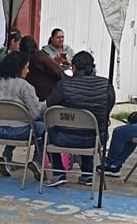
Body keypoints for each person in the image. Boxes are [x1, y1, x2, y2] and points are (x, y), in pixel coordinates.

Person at [44, 51, 115, 187]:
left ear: (74, 68)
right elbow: (108, 109)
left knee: (45, 132)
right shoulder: (106, 85)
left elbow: (49, 106)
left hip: (64, 138)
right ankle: (88, 174)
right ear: (93, 67)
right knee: (89, 128)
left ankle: (59, 173)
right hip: (96, 139)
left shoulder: (64, 85)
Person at [0, 51, 46, 179]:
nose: (28, 71)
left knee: (15, 120)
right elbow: (35, 113)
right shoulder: (25, 86)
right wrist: (45, 105)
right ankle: (37, 161)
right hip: (20, 132)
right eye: (26, 67)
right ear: (19, 68)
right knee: (42, 127)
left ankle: (7, 157)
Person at [19, 35, 65, 101]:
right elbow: (58, 71)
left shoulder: (20, 59)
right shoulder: (40, 57)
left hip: (26, 96)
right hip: (46, 96)